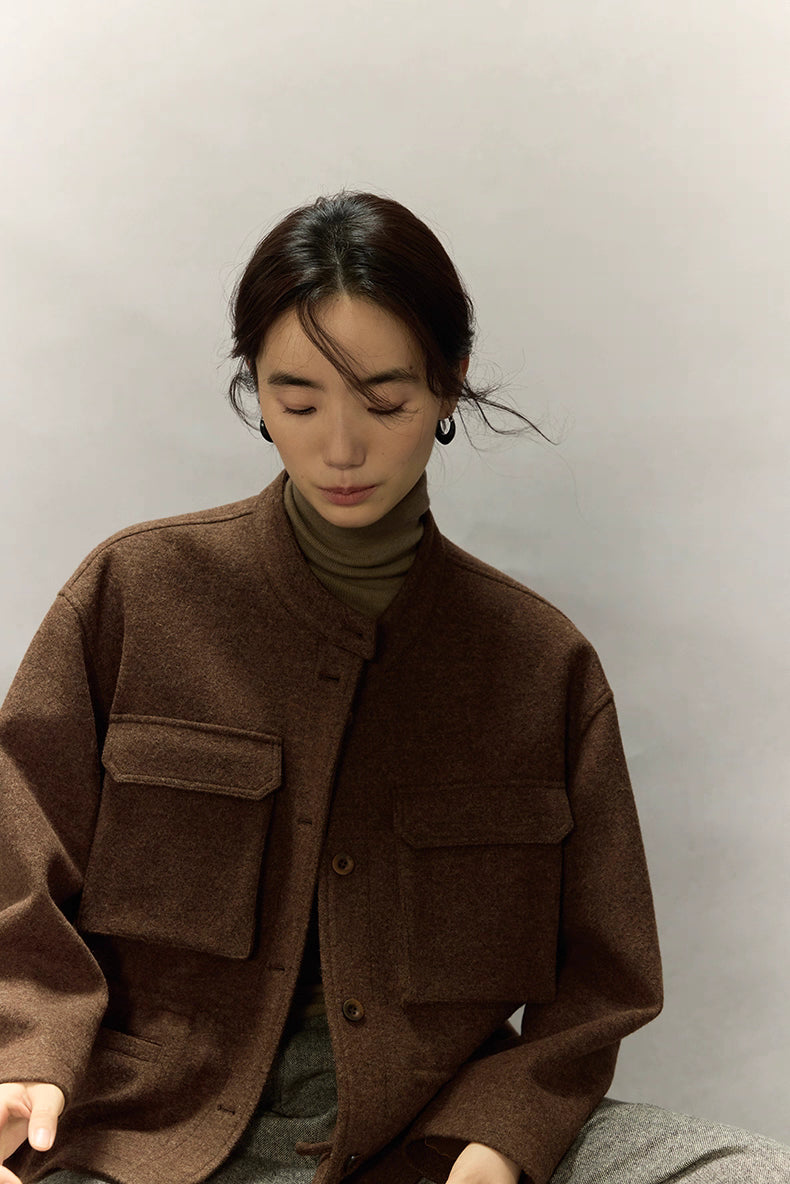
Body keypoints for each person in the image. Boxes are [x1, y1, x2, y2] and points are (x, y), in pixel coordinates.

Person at [0, 190, 788, 1184]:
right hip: (145, 1128)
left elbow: (603, 980)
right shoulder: (134, 593)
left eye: (382, 400)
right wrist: (26, 1053)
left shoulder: (540, 667)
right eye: (296, 400)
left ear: (449, 384)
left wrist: (500, 1139)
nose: (340, 446)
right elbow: (12, 862)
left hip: (425, 1132)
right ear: (253, 390)